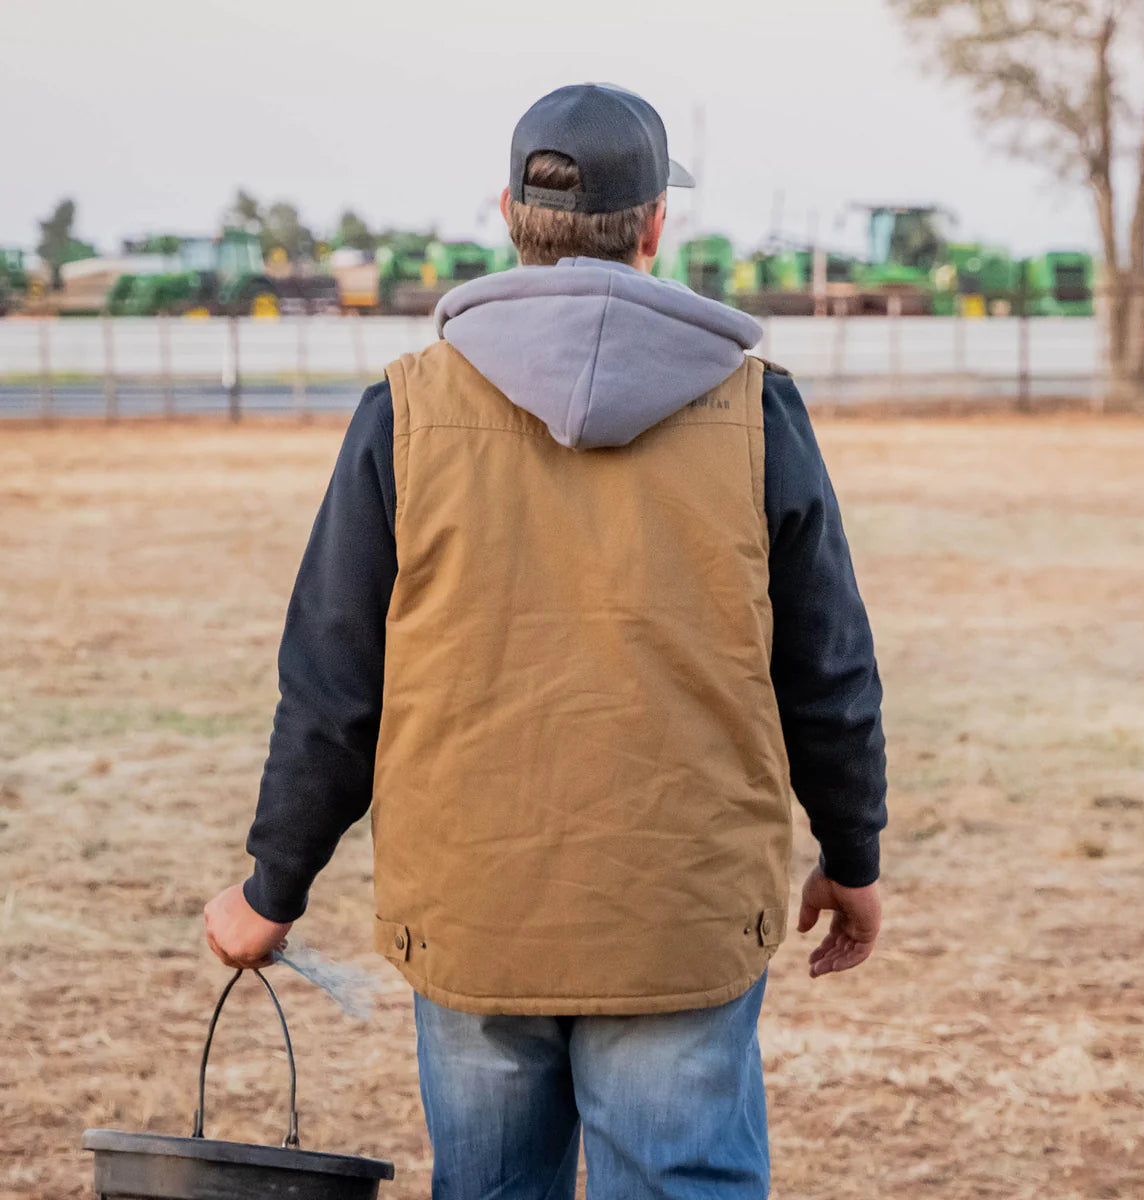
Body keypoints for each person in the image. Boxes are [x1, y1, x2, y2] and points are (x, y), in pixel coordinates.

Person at [204, 83, 887, 1200]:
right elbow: (828, 672)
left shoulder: (405, 413)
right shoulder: (757, 412)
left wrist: (273, 887)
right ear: (655, 224)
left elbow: (333, 686)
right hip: (682, 909)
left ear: (509, 217)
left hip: (475, 909)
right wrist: (851, 855)